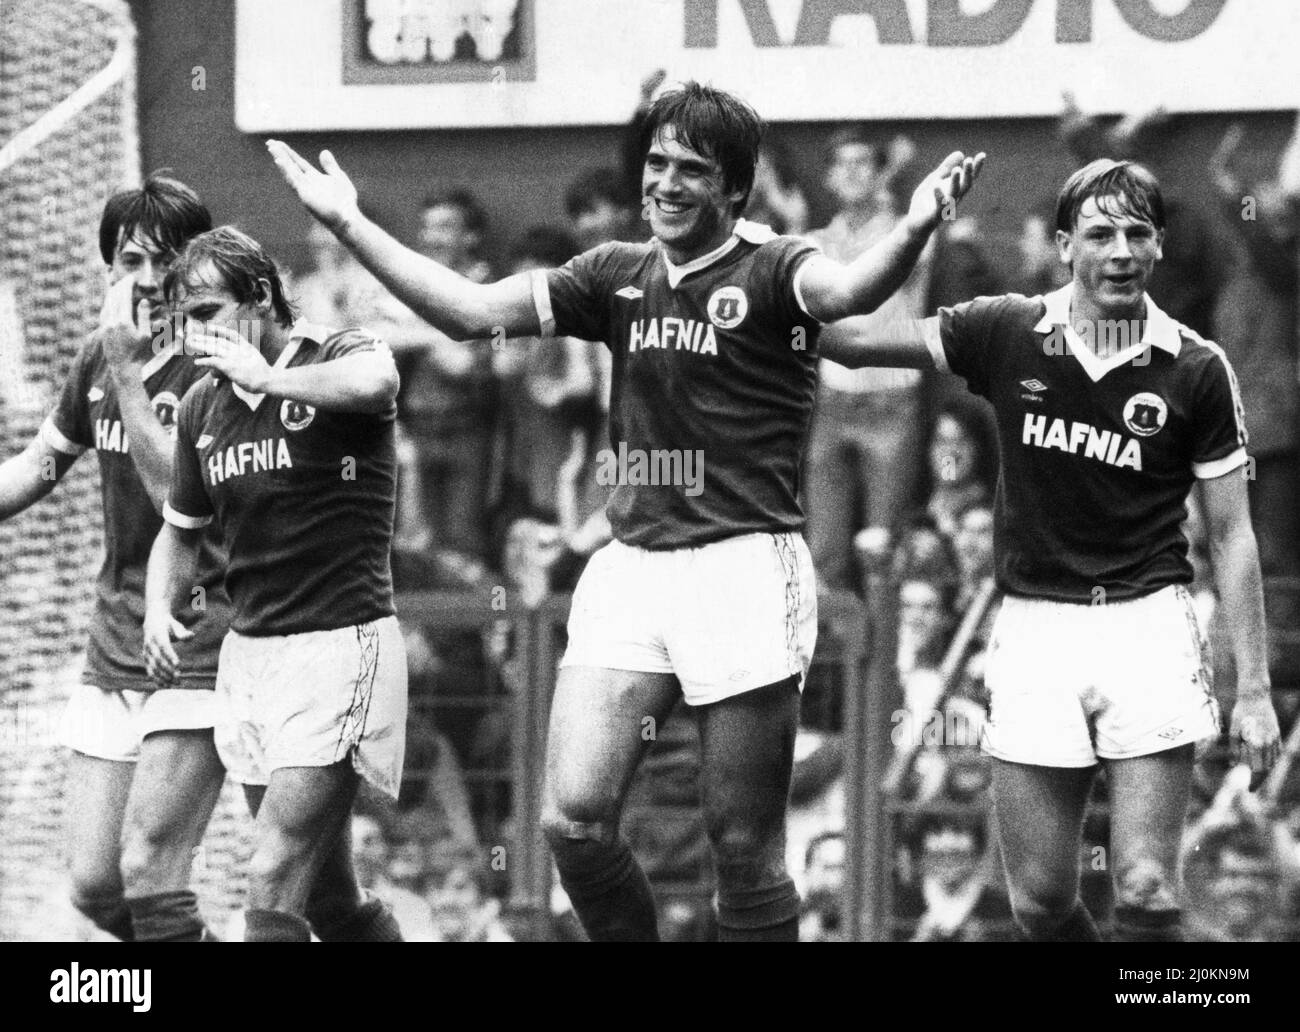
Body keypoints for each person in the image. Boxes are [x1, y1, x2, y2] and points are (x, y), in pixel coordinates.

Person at [267, 80, 982, 942]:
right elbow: (468, 312)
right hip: (633, 569)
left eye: (691, 170)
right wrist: (348, 223)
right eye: (656, 164)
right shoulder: (614, 272)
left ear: (735, 189)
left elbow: (850, 294)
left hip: (745, 568)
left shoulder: (778, 267)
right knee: (571, 820)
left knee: (743, 847)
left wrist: (914, 224)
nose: (666, 184)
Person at [811, 158, 1282, 942]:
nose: (1120, 250)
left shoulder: (1198, 368)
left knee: (1143, 884)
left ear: (1160, 246)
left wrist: (1256, 690)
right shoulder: (1005, 329)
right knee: (1038, 900)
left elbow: (1232, 536)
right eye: (1099, 234)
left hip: (1151, 630)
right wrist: (913, 228)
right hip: (1034, 628)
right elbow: (853, 343)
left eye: (1138, 233)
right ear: (1065, 245)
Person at [142, 226, 408, 942]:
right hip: (250, 654)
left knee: (269, 872)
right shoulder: (202, 405)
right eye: (180, 321)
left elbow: (379, 384)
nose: (193, 336)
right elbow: (180, 526)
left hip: (341, 643)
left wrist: (268, 379)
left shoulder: (339, 351)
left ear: (259, 296)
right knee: (326, 899)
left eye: (205, 314)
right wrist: (157, 608)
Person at [0, 174, 230, 941]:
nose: (148, 280)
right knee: (97, 887)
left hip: (203, 636)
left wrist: (132, 371)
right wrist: (118, 364)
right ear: (107, 270)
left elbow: (180, 503)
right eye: (130, 261)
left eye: (166, 261)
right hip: (117, 638)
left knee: (149, 870)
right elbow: (37, 466)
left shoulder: (221, 366)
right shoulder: (95, 360)